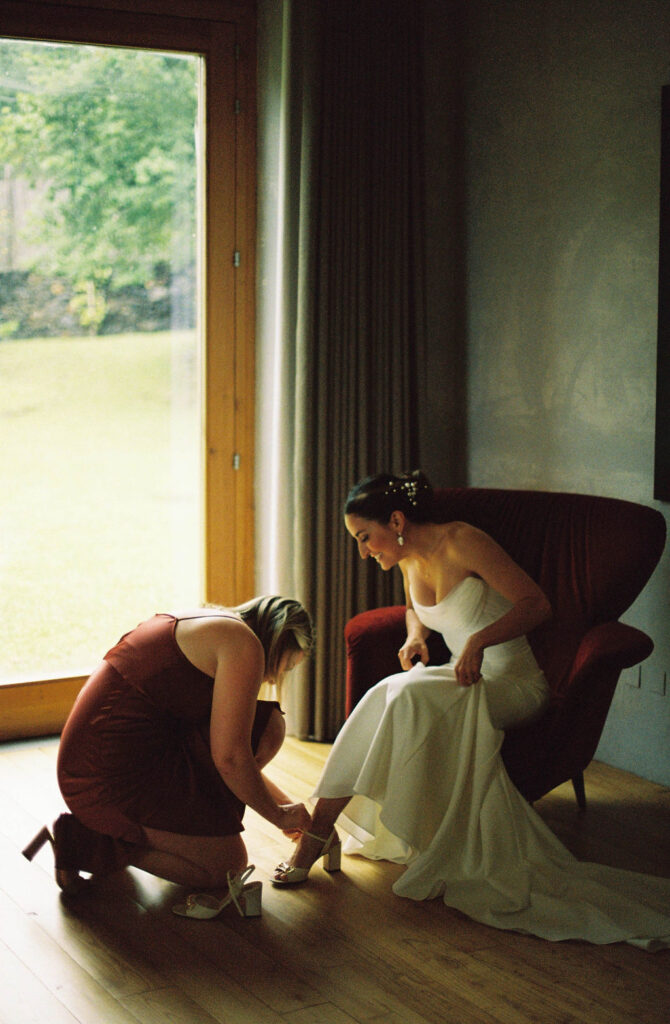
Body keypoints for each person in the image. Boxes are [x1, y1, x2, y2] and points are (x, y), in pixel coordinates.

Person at [273, 472, 670, 951]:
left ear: (396, 521)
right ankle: (321, 830)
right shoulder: (405, 555)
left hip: (513, 684)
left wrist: (480, 641)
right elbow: (415, 610)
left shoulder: (464, 542)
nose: (363, 552)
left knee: (407, 695)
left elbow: (537, 605)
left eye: (364, 537)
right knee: (387, 692)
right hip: (465, 677)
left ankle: (318, 836)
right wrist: (415, 636)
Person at [24, 596, 314, 919]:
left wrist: (284, 807)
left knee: (264, 726)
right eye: (287, 667)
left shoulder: (212, 625)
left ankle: (128, 831)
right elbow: (231, 759)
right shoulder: (244, 646)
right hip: (104, 775)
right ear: (279, 642)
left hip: (110, 758)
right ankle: (92, 840)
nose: (274, 679)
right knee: (226, 865)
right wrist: (277, 816)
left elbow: (232, 752)